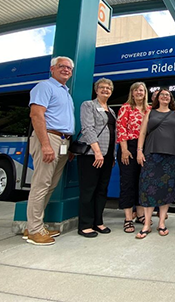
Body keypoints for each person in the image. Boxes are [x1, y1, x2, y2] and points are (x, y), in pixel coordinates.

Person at [25, 56, 75, 246]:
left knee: (50, 185)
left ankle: (36, 226)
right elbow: (36, 115)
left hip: (62, 141)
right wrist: (45, 144)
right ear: (52, 68)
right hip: (49, 138)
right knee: (41, 184)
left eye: (69, 68)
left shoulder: (65, 93)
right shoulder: (44, 86)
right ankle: (34, 230)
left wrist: (67, 145)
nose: (66, 70)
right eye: (62, 66)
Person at [136, 89, 175, 238]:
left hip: (172, 156)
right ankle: (147, 224)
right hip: (151, 154)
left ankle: (162, 222)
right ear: (157, 98)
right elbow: (142, 133)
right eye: (162, 95)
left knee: (167, 190)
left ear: (171, 99)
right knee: (148, 188)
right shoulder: (150, 113)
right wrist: (139, 151)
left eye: (167, 95)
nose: (165, 97)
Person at [77, 78, 117, 238]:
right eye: (102, 87)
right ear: (96, 89)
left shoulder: (112, 111)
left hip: (107, 156)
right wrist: (97, 152)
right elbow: (87, 128)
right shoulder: (88, 105)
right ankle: (85, 224)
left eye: (108, 88)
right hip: (92, 156)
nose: (105, 90)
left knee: (102, 190)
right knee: (89, 189)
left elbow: (113, 134)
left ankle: (98, 222)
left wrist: (111, 156)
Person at [116, 82, 151, 233]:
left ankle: (141, 215)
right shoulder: (125, 108)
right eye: (136, 90)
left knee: (143, 182)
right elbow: (121, 128)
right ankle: (128, 218)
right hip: (128, 147)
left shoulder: (149, 109)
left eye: (141, 90)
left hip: (145, 148)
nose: (139, 92)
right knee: (128, 182)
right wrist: (124, 150)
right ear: (132, 92)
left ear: (145, 93)